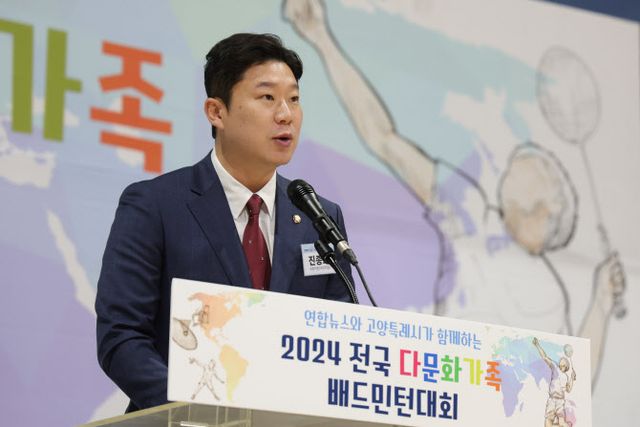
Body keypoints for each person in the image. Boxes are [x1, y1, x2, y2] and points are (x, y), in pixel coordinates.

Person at [283, 0, 625, 386]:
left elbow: (569, 384)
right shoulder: (472, 211)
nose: (519, 158)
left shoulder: (551, 295)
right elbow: (384, 138)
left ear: (549, 206)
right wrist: (321, 38)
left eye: (538, 166)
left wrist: (600, 305)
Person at [95, 33, 353, 412]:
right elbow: (122, 336)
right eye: (267, 98)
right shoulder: (155, 205)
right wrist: (198, 409)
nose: (286, 114)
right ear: (216, 112)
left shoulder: (319, 217)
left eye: (294, 99)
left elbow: (341, 339)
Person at [533, 338, 576, 427]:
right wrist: (537, 345)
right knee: (547, 423)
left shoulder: (566, 377)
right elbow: (545, 357)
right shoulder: (555, 367)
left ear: (566, 366)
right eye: (561, 360)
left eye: (563, 360)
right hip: (552, 400)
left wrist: (572, 378)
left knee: (561, 423)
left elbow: (568, 389)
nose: (561, 360)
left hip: (560, 401)